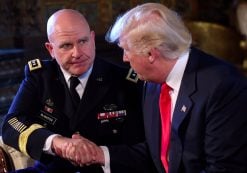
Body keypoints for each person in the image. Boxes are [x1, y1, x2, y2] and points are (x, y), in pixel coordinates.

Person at [1, 9, 155, 173]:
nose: (78, 53)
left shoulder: (125, 81)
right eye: (66, 45)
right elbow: (12, 124)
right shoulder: (40, 77)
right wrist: (57, 143)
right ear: (50, 49)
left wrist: (100, 154)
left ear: (93, 39)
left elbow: (147, 150)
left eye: (83, 41)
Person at [106, 2, 247, 173]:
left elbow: (224, 168)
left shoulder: (223, 86)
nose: (124, 59)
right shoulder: (151, 83)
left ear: (151, 54)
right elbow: (158, 154)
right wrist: (101, 154)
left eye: (126, 50)